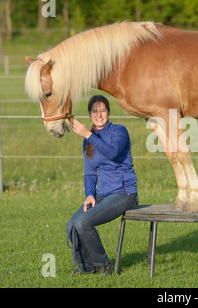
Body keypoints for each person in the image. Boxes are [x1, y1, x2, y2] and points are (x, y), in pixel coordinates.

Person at [66, 94, 138, 276]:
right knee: (72, 225)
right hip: (102, 193)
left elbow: (112, 152)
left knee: (83, 222)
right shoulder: (87, 141)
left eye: (103, 110)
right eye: (95, 111)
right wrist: (89, 194)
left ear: (108, 112)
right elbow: (90, 172)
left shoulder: (119, 131)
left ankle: (104, 265)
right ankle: (86, 268)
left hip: (124, 194)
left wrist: (88, 134)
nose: (99, 114)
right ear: (90, 114)